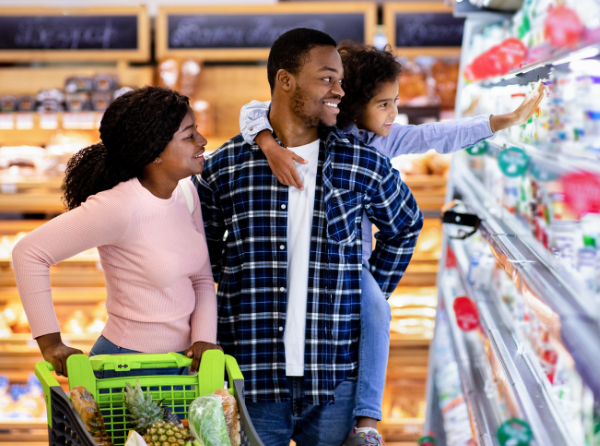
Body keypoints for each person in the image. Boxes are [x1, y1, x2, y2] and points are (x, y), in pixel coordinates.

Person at [238, 43, 544, 444]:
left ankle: (366, 421)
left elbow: (436, 135)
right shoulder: (314, 127)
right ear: (352, 103)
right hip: (294, 265)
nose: (394, 113)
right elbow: (252, 109)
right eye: (384, 104)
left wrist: (502, 121)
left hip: (350, 267)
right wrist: (267, 143)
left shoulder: (382, 141)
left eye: (395, 103)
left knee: (377, 312)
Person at [194, 28, 422, 446]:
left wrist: (367, 290)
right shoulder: (226, 168)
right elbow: (200, 259)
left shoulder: (362, 164)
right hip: (252, 377)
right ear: (285, 81)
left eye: (341, 79)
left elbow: (405, 225)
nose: (340, 90)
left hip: (334, 379)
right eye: (326, 78)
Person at [13, 86, 220, 378]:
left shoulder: (186, 192)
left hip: (183, 366)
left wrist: (204, 341)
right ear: (155, 152)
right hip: (127, 368)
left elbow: (201, 278)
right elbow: (28, 253)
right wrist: (51, 344)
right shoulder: (119, 206)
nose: (202, 141)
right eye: (189, 136)